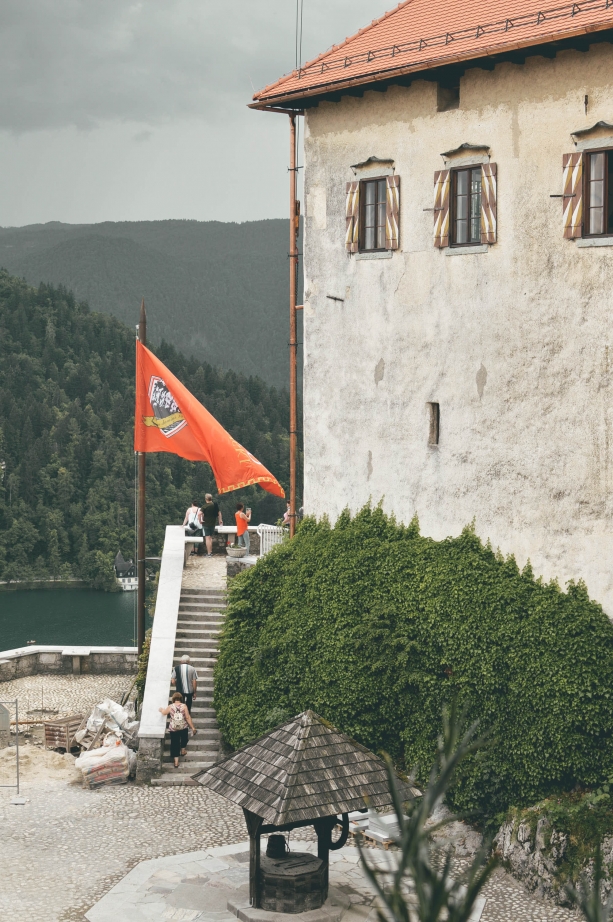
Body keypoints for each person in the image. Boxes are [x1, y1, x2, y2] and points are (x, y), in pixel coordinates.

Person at [159, 692, 196, 768]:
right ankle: (183, 750)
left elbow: (164, 713)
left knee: (175, 744)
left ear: (173, 699)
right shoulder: (184, 706)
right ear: (181, 699)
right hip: (183, 727)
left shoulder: (171, 706)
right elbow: (188, 717)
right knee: (184, 739)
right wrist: (193, 727)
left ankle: (176, 762)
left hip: (173, 728)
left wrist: (161, 710)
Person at [201, 493, 222, 558]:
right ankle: (210, 552)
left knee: (207, 538)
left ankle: (209, 553)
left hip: (206, 524)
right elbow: (219, 513)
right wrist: (220, 520)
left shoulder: (205, 506)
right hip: (213, 524)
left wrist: (200, 520)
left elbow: (199, 513)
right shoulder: (215, 505)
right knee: (210, 537)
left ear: (206, 499)